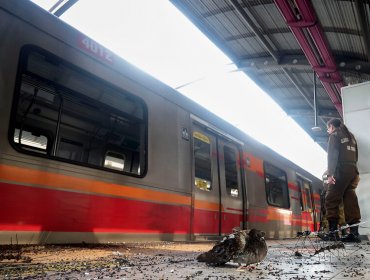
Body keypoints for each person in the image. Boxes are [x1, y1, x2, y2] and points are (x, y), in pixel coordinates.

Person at [325, 118, 361, 242]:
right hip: (353, 171)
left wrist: (330, 174)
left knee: (331, 198)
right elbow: (356, 156)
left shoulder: (334, 136)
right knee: (350, 199)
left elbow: (332, 156)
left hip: (341, 171)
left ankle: (333, 233)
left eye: (328, 128)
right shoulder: (351, 136)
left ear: (331, 126)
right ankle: (354, 233)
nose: (327, 130)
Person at [319, 171, 346, 237]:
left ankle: (332, 233)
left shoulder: (326, 173)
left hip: (331, 194)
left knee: (331, 213)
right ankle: (342, 232)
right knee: (341, 214)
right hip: (338, 195)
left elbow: (325, 185)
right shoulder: (340, 171)